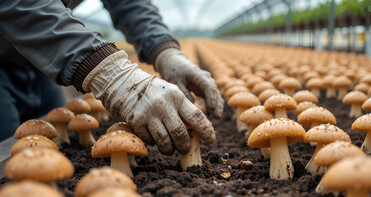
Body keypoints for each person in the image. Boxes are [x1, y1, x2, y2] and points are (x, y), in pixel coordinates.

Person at [0, 0, 224, 155]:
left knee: (56, 146)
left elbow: (129, 4)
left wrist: (164, 49)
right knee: (11, 163)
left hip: (41, 62)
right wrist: (112, 75)